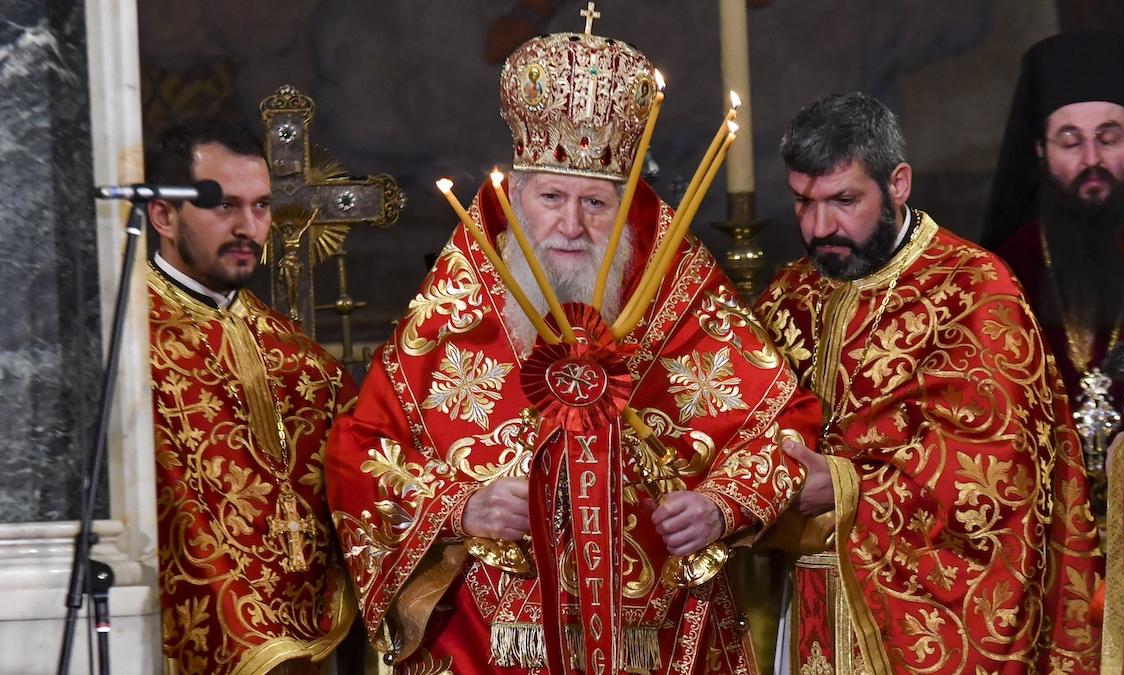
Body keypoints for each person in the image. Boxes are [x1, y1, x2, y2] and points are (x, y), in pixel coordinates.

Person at [324, 18, 821, 675]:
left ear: (628, 205)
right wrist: (461, 505)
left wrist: (720, 505)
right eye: (551, 196)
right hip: (486, 644)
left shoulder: (676, 284)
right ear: (516, 195)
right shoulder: (465, 293)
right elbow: (361, 452)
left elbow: (782, 427)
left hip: (660, 638)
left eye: (596, 203)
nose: (571, 224)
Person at [754, 93, 1103, 674]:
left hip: (920, 625)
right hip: (808, 608)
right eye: (803, 202)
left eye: (844, 201)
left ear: (898, 184)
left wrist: (841, 485)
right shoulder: (790, 294)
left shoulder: (974, 291)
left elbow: (994, 483)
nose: (819, 228)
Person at [146, 117, 356, 674]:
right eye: (224, 205)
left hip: (309, 648)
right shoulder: (126, 343)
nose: (248, 227)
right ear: (164, 216)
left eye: (261, 206)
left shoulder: (307, 364)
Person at [982, 30, 1124, 406]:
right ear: (1040, 149)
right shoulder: (1007, 269)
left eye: (1109, 139)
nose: (1092, 159)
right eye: (1071, 141)